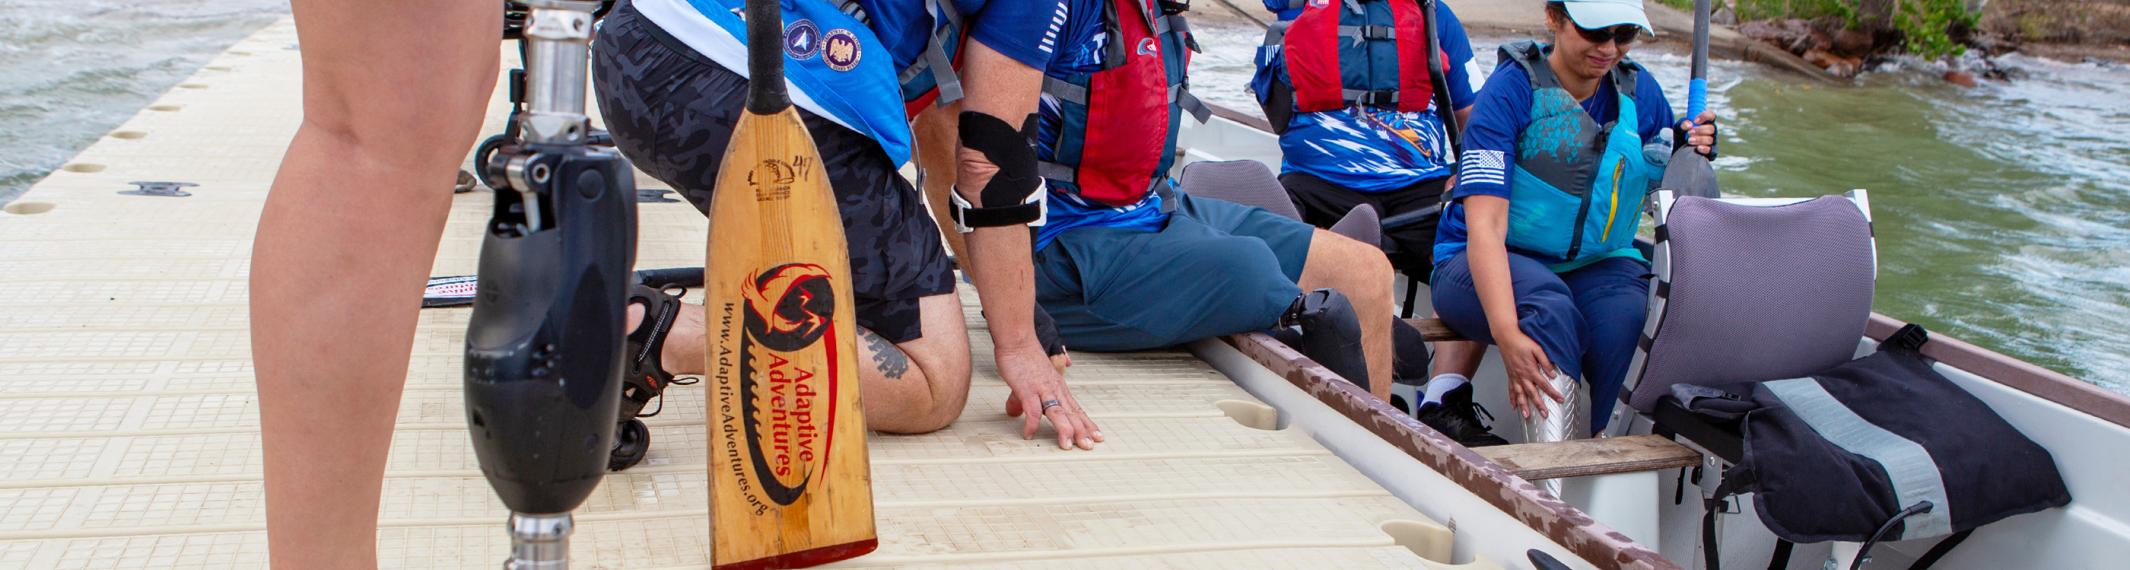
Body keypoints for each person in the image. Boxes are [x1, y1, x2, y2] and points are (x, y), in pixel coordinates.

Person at [250, 0, 1097, 566]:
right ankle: (653, 332)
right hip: (745, 70)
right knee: (935, 381)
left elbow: (950, 130)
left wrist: (999, 303)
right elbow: (991, 150)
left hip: (634, 47)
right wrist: (1014, 342)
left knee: (371, 127)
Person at [949, 0, 1402, 399]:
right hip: (1063, 248)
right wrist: (1013, 314)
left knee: (1365, 270)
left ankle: (1389, 464)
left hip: (1157, 207)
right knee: (1252, 268)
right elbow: (973, 153)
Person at [1431, 0, 1718, 441]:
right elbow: (1485, 228)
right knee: (1547, 310)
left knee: (1637, 318)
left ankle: (1611, 466)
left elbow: (1666, 194)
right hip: (1478, 261)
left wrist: (1686, 149)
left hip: (1596, 264)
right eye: (1595, 32)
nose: (1609, 48)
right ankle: (1549, 483)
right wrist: (1506, 335)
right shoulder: (1508, 94)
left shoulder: (1642, 95)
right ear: (1554, 17)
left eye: (1624, 35)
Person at [1250, 0, 1504, 446]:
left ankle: (1442, 399)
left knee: (1479, 246)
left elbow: (1475, 119)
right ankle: (1322, 366)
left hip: (1421, 189)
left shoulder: (1434, 16)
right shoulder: (1295, 13)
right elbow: (1278, 108)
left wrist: (1464, 182)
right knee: (1271, 241)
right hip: (1317, 183)